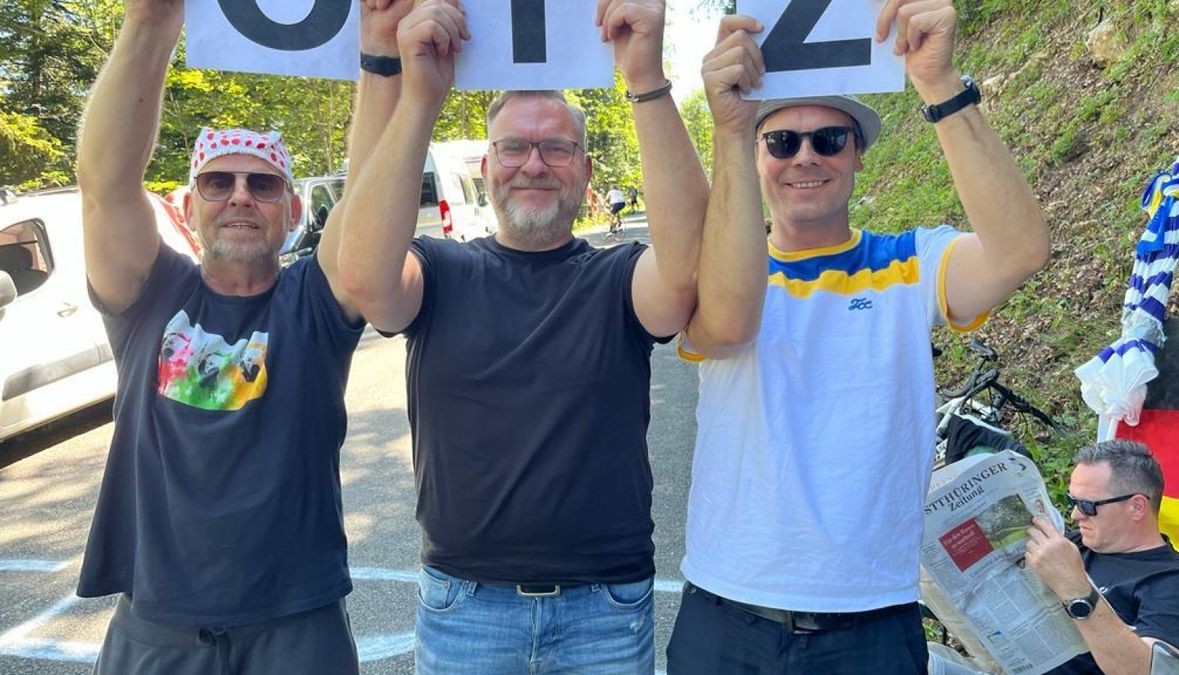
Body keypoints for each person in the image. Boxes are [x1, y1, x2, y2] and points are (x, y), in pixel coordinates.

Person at [667, 0, 1050, 672]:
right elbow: (713, 321)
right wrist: (726, 128)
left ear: (859, 156)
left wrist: (938, 83)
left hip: (871, 619)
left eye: (829, 139)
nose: (805, 157)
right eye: (781, 141)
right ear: (756, 159)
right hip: (727, 610)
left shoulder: (910, 262)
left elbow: (1019, 251)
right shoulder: (723, 281)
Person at [333, 0, 707, 672]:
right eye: (513, 146)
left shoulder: (618, 278)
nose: (533, 163)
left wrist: (646, 80)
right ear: (486, 165)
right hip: (465, 609)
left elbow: (686, 270)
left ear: (587, 175)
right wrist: (419, 97)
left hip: (606, 612)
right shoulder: (440, 269)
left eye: (557, 147)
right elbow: (360, 277)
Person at [72, 1, 410, 672]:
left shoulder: (315, 299)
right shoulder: (149, 295)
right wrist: (150, 24)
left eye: (262, 184)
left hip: (296, 629)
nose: (239, 196)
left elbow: (369, 189)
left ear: (292, 210)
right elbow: (104, 186)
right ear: (187, 205)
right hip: (157, 627)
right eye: (216, 181)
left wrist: (377, 53)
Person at [1024, 440, 1179, 674]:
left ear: (1137, 507)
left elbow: (1151, 671)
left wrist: (1077, 593)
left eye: (1087, 505)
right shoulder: (1075, 543)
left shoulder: (1177, 585)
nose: (1076, 515)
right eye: (1072, 501)